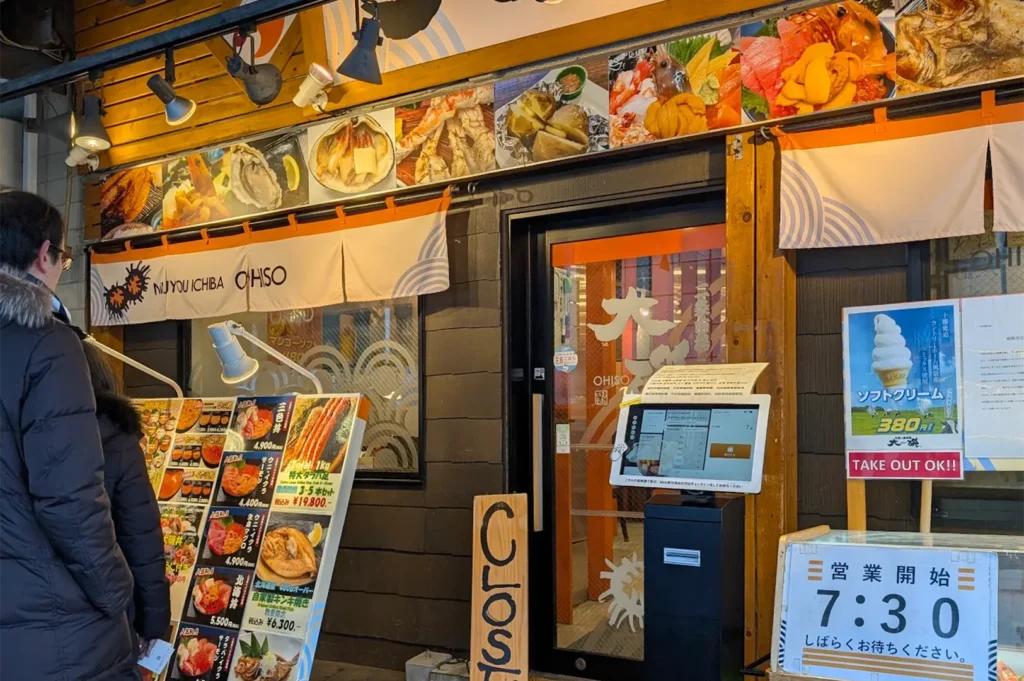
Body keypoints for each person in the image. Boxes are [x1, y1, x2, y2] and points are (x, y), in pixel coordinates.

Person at [0, 190, 137, 680]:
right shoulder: (48, 343)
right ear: (44, 254)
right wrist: (119, 592)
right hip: (54, 628)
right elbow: (70, 500)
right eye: (62, 256)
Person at [81, 341, 171, 660]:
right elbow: (142, 540)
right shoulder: (118, 440)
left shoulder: (23, 432)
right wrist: (154, 627)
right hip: (105, 615)